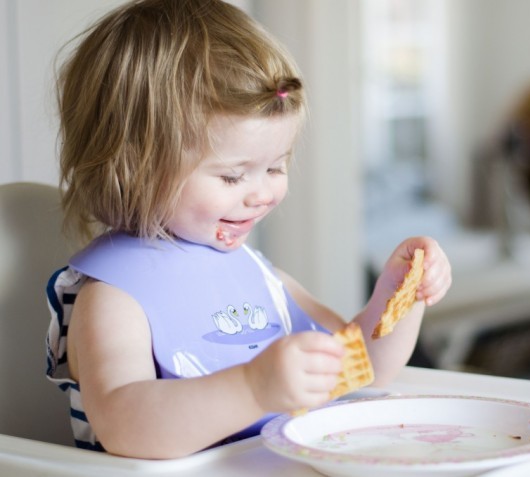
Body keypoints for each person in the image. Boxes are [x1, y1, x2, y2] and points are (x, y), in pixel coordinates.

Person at [45, 0, 452, 459]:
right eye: (233, 176)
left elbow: (364, 368)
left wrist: (399, 296)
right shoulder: (114, 297)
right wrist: (252, 388)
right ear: (134, 167)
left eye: (275, 167)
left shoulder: (256, 274)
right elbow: (125, 425)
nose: (261, 194)